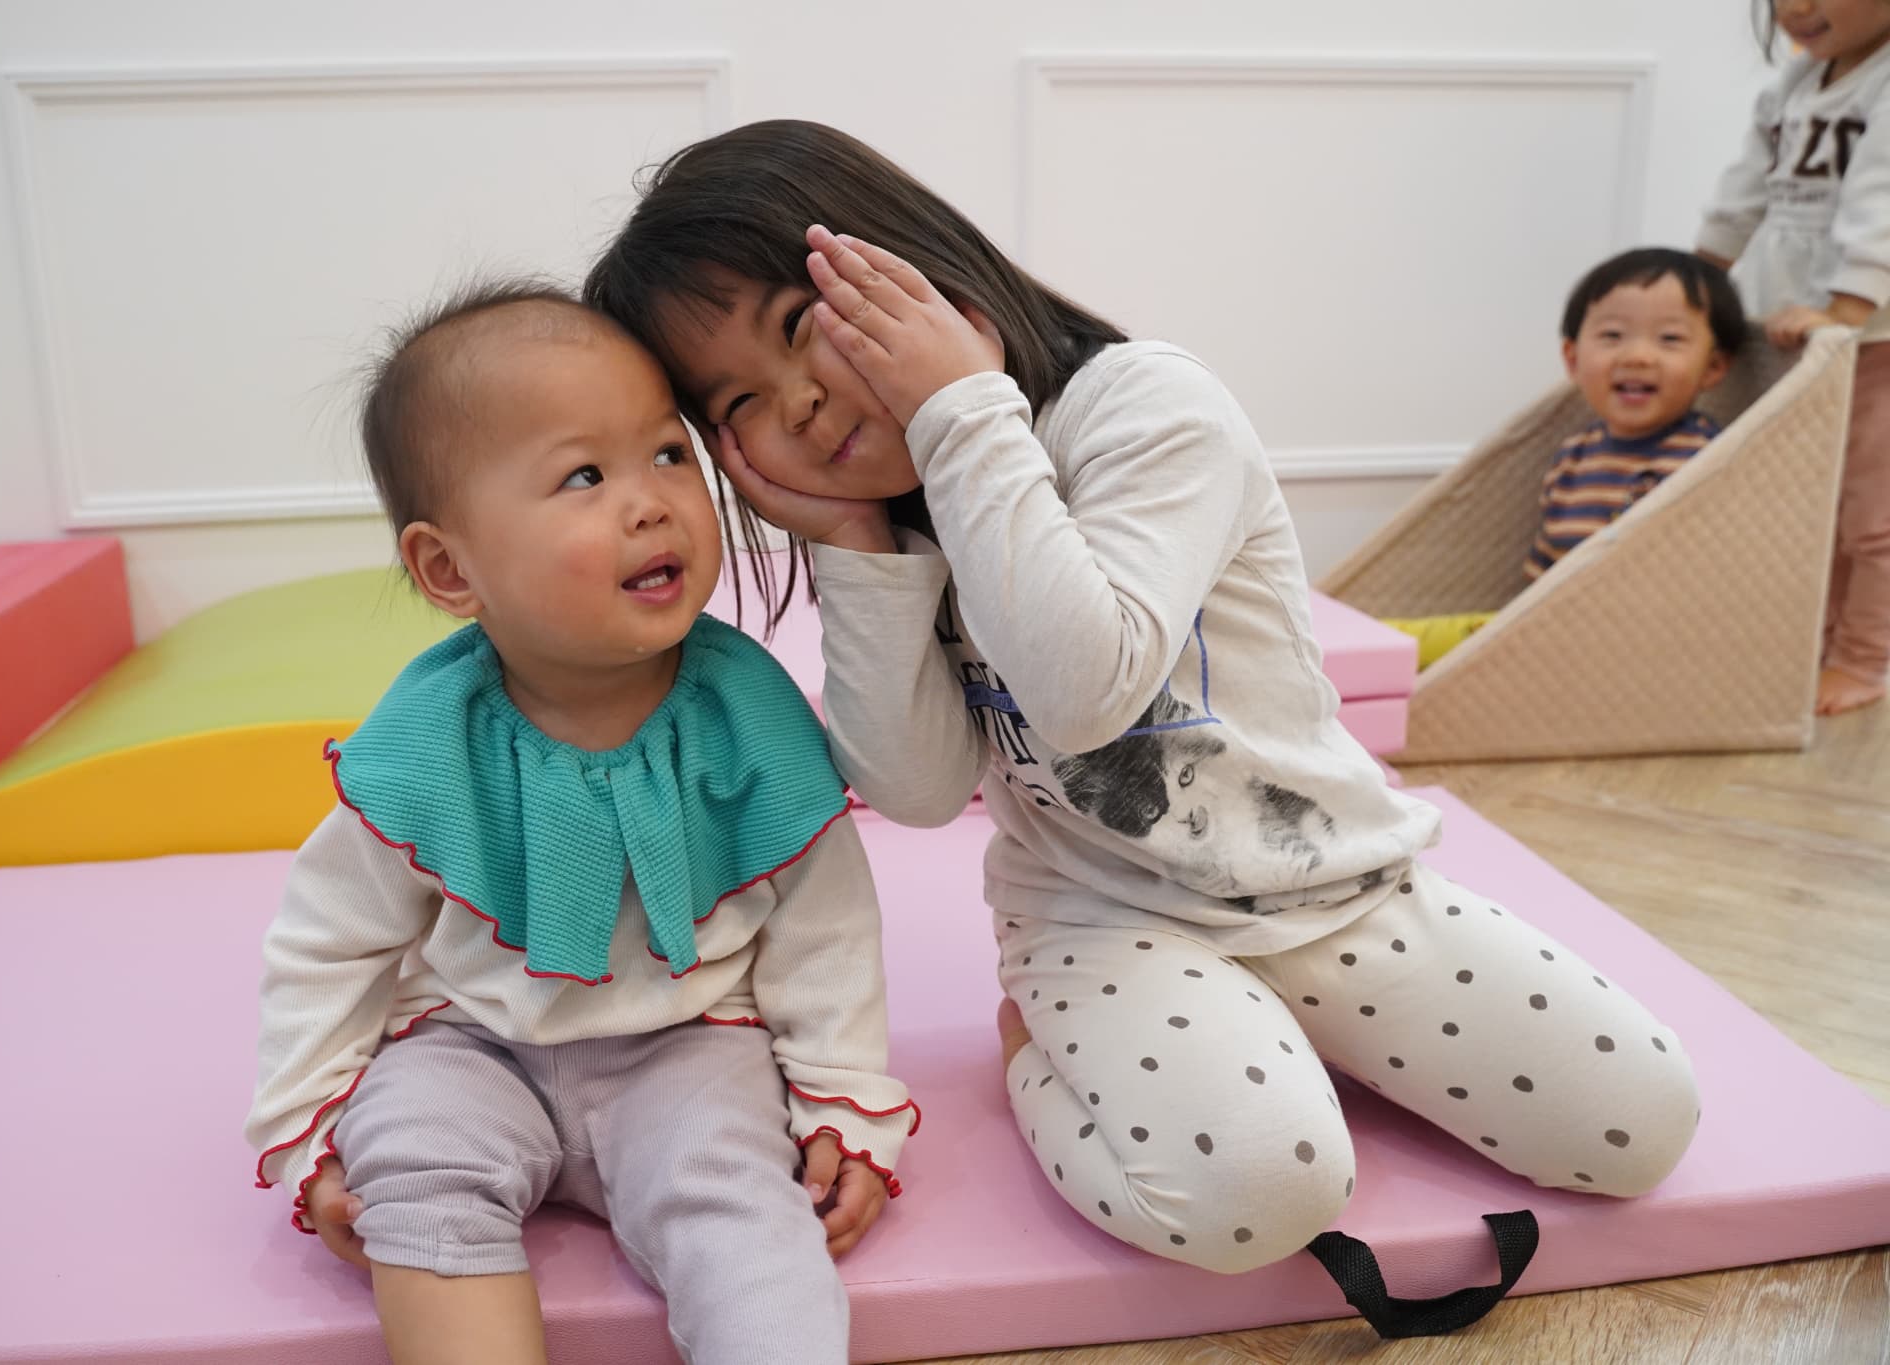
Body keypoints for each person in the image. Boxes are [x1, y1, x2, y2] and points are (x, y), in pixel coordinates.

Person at [584, 120, 1700, 1275]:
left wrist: (962, 411)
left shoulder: (1141, 406)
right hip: (1099, 916)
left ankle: (1270, 1031)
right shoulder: (894, 523)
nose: (797, 406)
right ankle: (1037, 1047)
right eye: (737, 404)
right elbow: (915, 793)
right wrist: (857, 547)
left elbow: (1084, 690)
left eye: (797, 327)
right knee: (1262, 1193)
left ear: (906, 255)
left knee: (1635, 1123)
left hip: (1329, 882)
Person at [245, 279, 915, 1365]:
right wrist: (307, 1123)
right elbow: (331, 939)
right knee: (408, 1174)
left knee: (744, 1208)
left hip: (693, 1045)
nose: (651, 502)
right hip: (468, 1042)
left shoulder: (746, 713)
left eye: (668, 453)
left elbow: (822, 922)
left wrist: (843, 1096)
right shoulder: (427, 739)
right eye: (584, 477)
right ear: (450, 568)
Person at [1385, 248, 1746, 669]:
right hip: (1551, 631)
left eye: (1669, 339)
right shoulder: (1575, 454)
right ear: (1572, 359)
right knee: (1410, 641)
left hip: (1632, 644)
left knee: (1420, 646)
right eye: (1612, 336)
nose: (1637, 356)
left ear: (1713, 367)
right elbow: (1545, 560)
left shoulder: (1704, 458)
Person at [1700, 0, 1890, 714]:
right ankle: (1810, 641)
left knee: (1871, 516)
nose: (1796, 8)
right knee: (1806, 504)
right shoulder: (1795, 85)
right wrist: (1696, 282)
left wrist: (1846, 315)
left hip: (1869, 339)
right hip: (1796, 333)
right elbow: (1743, 191)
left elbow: (1883, 208)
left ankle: (1864, 660)